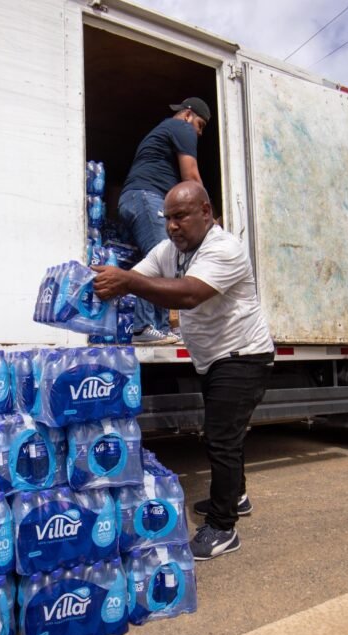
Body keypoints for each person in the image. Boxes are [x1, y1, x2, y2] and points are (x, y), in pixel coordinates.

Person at [92, 181, 274, 561]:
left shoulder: (225, 248)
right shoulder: (169, 250)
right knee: (226, 433)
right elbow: (138, 278)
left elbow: (188, 293)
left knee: (220, 438)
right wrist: (102, 285)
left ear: (206, 213)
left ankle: (224, 529)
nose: (173, 226)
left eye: (181, 217)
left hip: (243, 355)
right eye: (168, 218)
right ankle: (235, 496)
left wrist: (128, 281)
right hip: (213, 357)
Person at [119, 97, 210, 345]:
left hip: (137, 199)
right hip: (147, 197)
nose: (199, 132)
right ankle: (144, 327)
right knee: (161, 258)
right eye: (200, 125)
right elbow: (190, 176)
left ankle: (158, 327)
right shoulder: (182, 127)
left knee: (159, 260)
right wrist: (207, 215)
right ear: (188, 115)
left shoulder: (163, 130)